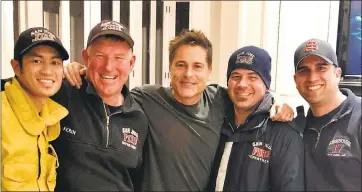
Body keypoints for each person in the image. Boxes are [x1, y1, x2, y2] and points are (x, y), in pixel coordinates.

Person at [64, 29, 294, 191]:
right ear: (170, 68)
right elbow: (111, 87)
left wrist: (277, 104)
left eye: (197, 66)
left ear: (209, 70)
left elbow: (248, 94)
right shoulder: (146, 98)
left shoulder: (220, 100)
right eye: (181, 65)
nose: (188, 74)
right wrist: (81, 71)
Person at [50, 20, 149, 191]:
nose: (109, 67)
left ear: (131, 63)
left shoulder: (139, 118)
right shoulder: (62, 92)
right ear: (86, 58)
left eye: (119, 58)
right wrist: (55, 71)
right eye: (100, 56)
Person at [207, 46, 304, 191]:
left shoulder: (284, 134)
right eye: (235, 76)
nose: (242, 84)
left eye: (253, 77)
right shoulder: (215, 120)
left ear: (266, 85)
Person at [1, 27, 69, 191]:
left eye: (55, 63)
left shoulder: (50, 118)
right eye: (36, 61)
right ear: (16, 67)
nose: (47, 71)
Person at [293, 38, 361, 191]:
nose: (312, 77)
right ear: (295, 80)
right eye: (304, 70)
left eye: (321, 68)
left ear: (337, 74)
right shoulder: (297, 127)